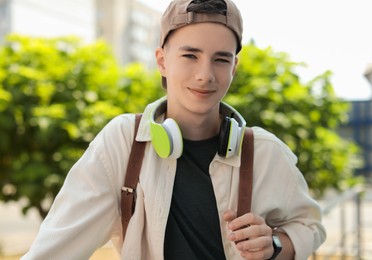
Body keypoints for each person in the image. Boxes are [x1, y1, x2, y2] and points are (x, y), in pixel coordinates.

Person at [22, 0, 326, 259]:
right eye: (190, 55)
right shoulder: (122, 141)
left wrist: (273, 245)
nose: (205, 75)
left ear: (234, 67)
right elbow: (55, 247)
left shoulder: (265, 151)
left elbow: (309, 226)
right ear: (162, 60)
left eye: (221, 59)